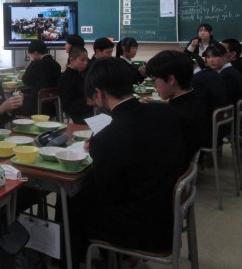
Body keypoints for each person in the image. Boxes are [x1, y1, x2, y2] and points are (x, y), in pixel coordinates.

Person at [68, 58, 188, 268]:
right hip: (170, 213)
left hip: (144, 229)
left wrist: (100, 149)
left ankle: (69, 259)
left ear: (98, 93)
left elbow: (107, 195)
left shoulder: (108, 137)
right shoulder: (166, 112)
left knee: (72, 199)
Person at [145, 50, 206, 153]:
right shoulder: (195, 98)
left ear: (171, 79)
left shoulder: (177, 117)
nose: (154, 86)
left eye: (154, 80)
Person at [20, 39, 61, 116]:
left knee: (13, 104)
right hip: (51, 108)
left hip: (35, 107)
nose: (31, 56)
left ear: (35, 52)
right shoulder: (57, 64)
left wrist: (32, 62)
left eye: (31, 54)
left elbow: (26, 80)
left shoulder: (37, 64)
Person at [204, 42, 242, 107]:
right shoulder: (229, 70)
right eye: (208, 57)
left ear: (224, 56)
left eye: (215, 56)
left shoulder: (227, 75)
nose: (211, 60)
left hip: (231, 110)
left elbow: (225, 99)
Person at [57, 45, 92, 124]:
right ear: (72, 60)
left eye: (86, 60)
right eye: (82, 60)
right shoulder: (65, 78)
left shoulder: (79, 74)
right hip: (79, 114)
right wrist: (86, 101)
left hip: (86, 111)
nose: (85, 63)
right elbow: (67, 104)